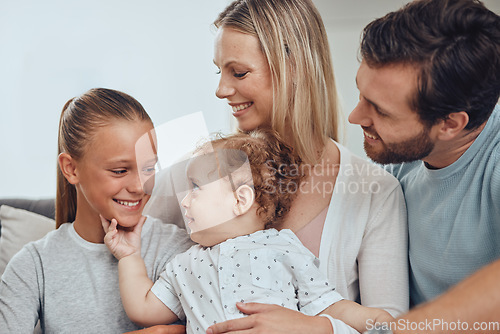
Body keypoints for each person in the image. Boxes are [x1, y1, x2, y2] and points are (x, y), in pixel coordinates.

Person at [195, 0, 409, 333]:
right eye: (219, 71)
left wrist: (313, 327)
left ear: (293, 67)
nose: (221, 89)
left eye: (238, 72)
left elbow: (391, 327)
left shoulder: (374, 192)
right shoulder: (206, 172)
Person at [103, 129, 394, 334]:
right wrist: (129, 256)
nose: (184, 199)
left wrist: (373, 319)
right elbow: (144, 309)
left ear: (240, 200)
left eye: (195, 188)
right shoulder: (183, 264)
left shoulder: (283, 248)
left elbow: (327, 304)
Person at [347, 0, 500, 332]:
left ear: (450, 124)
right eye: (361, 95)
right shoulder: (397, 168)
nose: (355, 117)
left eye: (380, 111)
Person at [0, 88, 193, 333]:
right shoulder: (33, 266)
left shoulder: (180, 253)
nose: (138, 187)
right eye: (120, 170)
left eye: (148, 169)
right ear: (71, 168)